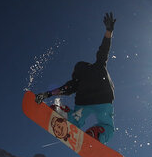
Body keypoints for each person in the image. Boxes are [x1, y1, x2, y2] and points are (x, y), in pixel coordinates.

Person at [35, 12, 116, 143]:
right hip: (103, 98)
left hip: (83, 101)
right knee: (107, 126)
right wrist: (109, 31)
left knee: (74, 121)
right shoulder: (98, 66)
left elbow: (64, 89)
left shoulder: (77, 81)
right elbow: (103, 50)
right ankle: (97, 134)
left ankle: (62, 114)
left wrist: (46, 94)